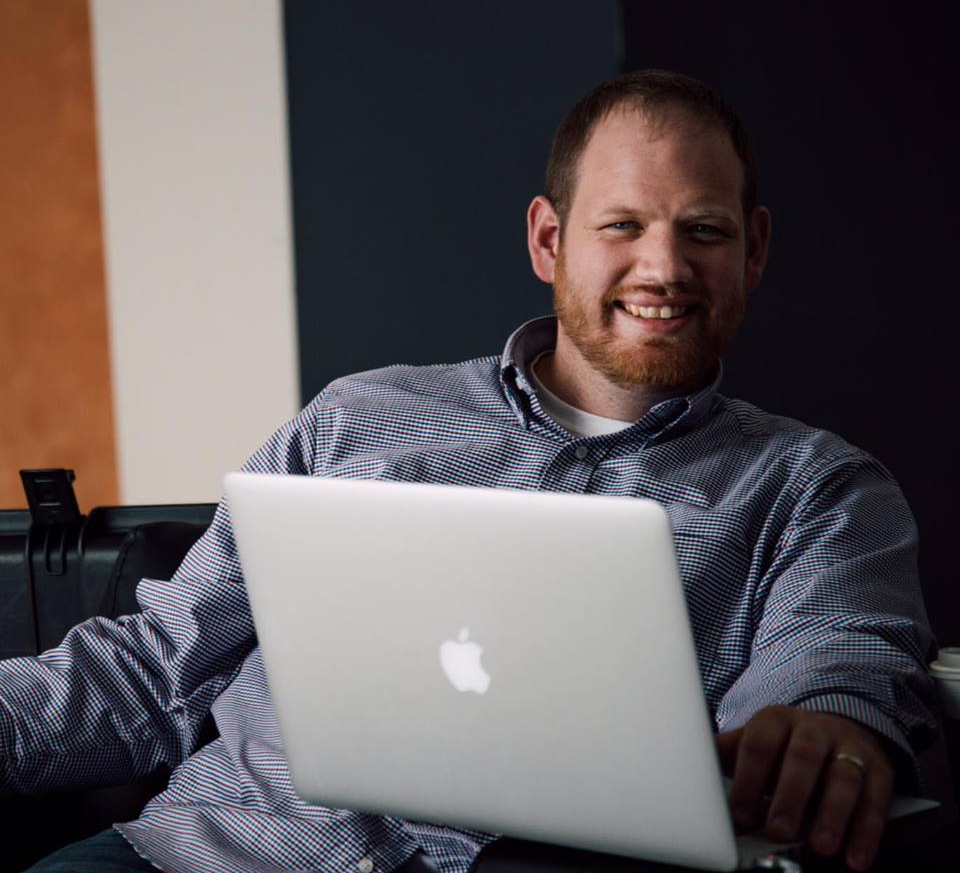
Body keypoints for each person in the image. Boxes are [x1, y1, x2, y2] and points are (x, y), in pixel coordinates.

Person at [0, 70, 939, 873]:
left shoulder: (818, 490)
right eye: (621, 225)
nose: (664, 266)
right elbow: (152, 670)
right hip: (211, 852)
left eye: (704, 231)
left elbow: (835, 654)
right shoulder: (355, 418)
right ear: (548, 241)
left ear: (754, 250)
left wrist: (827, 726)